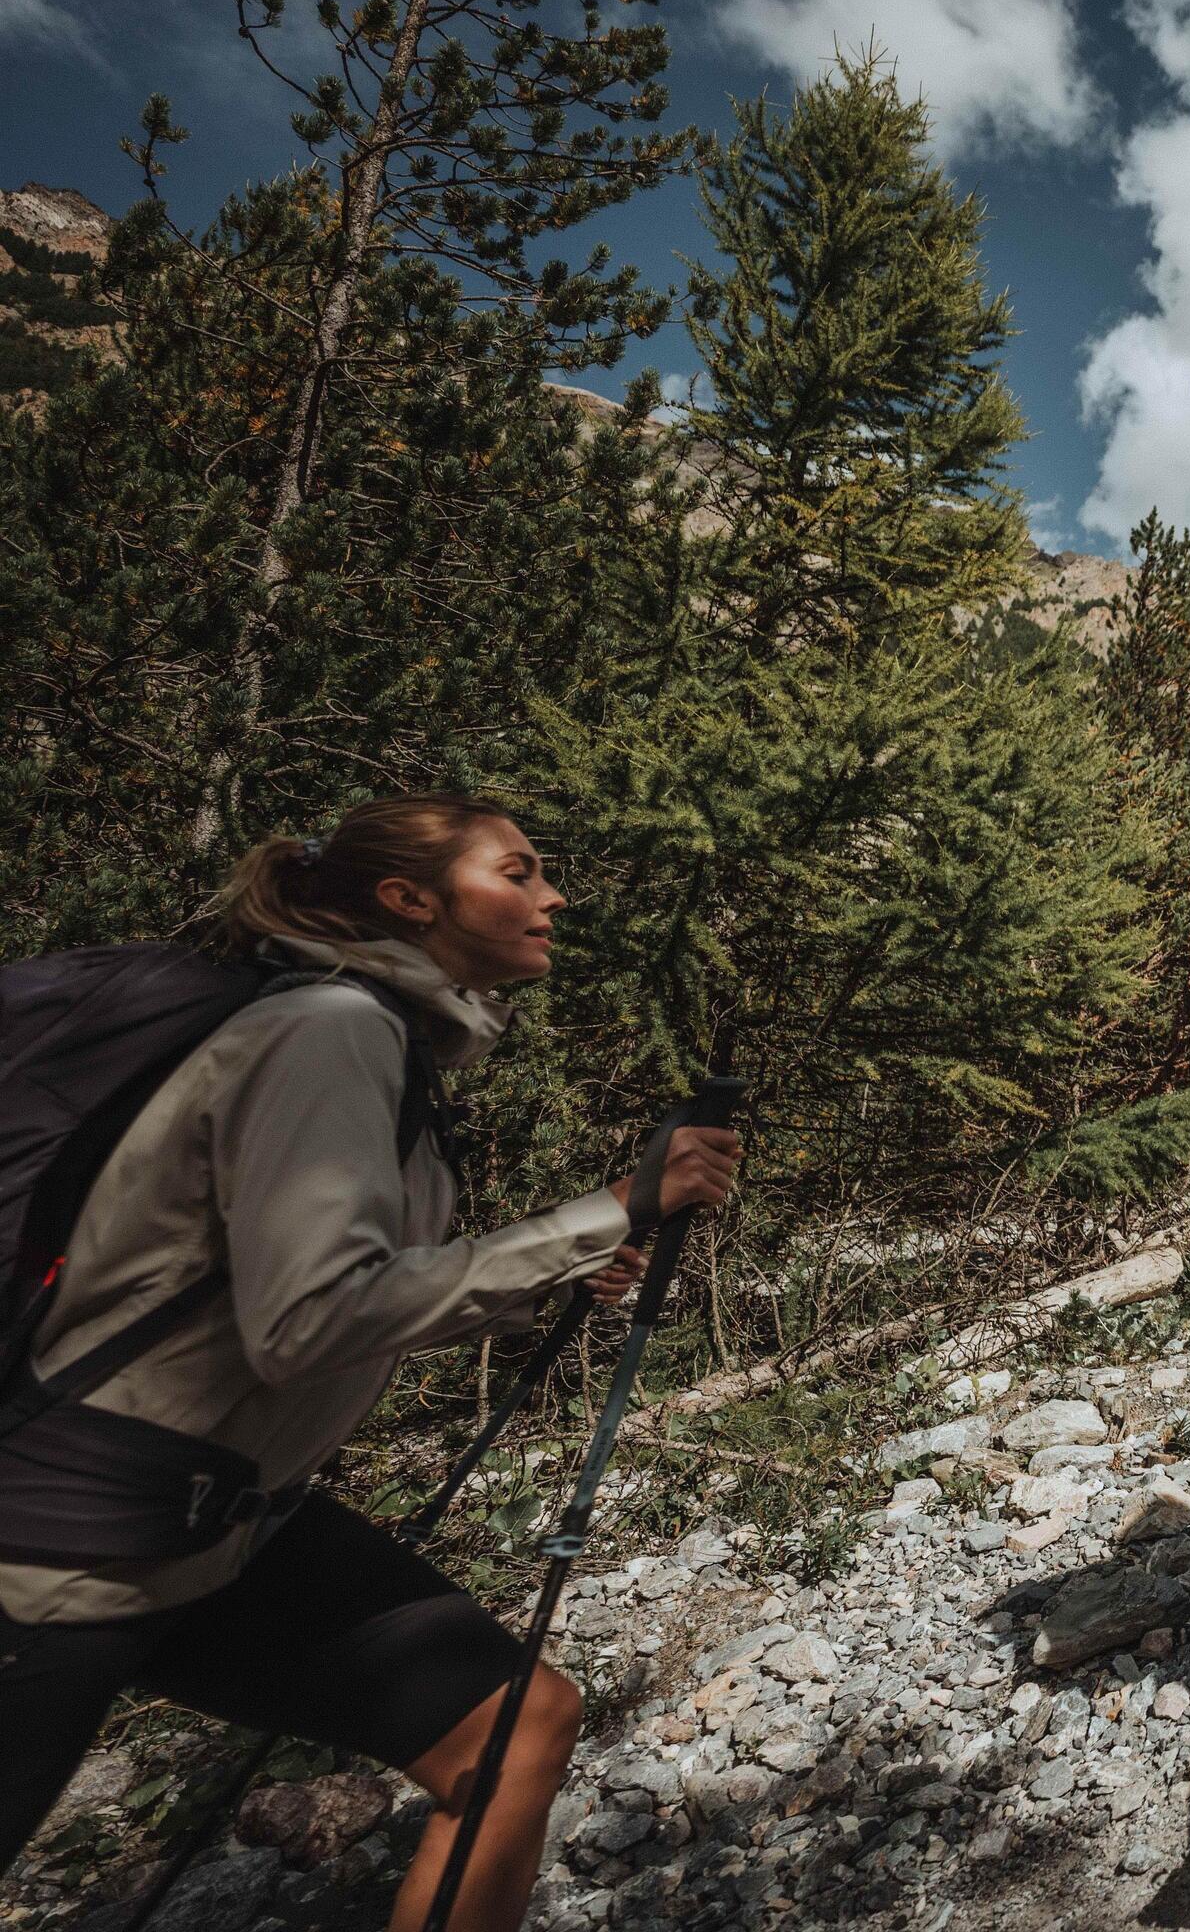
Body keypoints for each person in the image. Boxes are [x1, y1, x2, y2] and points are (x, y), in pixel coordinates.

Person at [0, 796, 740, 1932]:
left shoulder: (374, 1039)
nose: (552, 897)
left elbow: (315, 1293)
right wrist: (611, 1209)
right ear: (412, 899)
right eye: (518, 871)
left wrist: (560, 1261)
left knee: (513, 1725)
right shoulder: (332, 1029)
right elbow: (306, 1320)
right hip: (63, 1544)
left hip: (215, 1529)